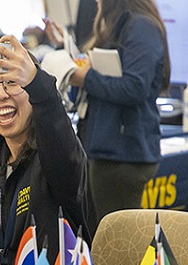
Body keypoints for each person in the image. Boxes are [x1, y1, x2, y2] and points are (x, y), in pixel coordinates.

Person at [0, 36, 119, 265]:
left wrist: (39, 84)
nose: (0, 94)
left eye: (12, 82)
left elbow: (58, 134)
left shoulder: (57, 162)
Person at [69, 0, 170, 235]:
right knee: (104, 236)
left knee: (117, 243)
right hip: (107, 149)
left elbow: (135, 87)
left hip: (123, 155)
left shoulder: (142, 28)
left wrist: (87, 78)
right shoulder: (118, 26)